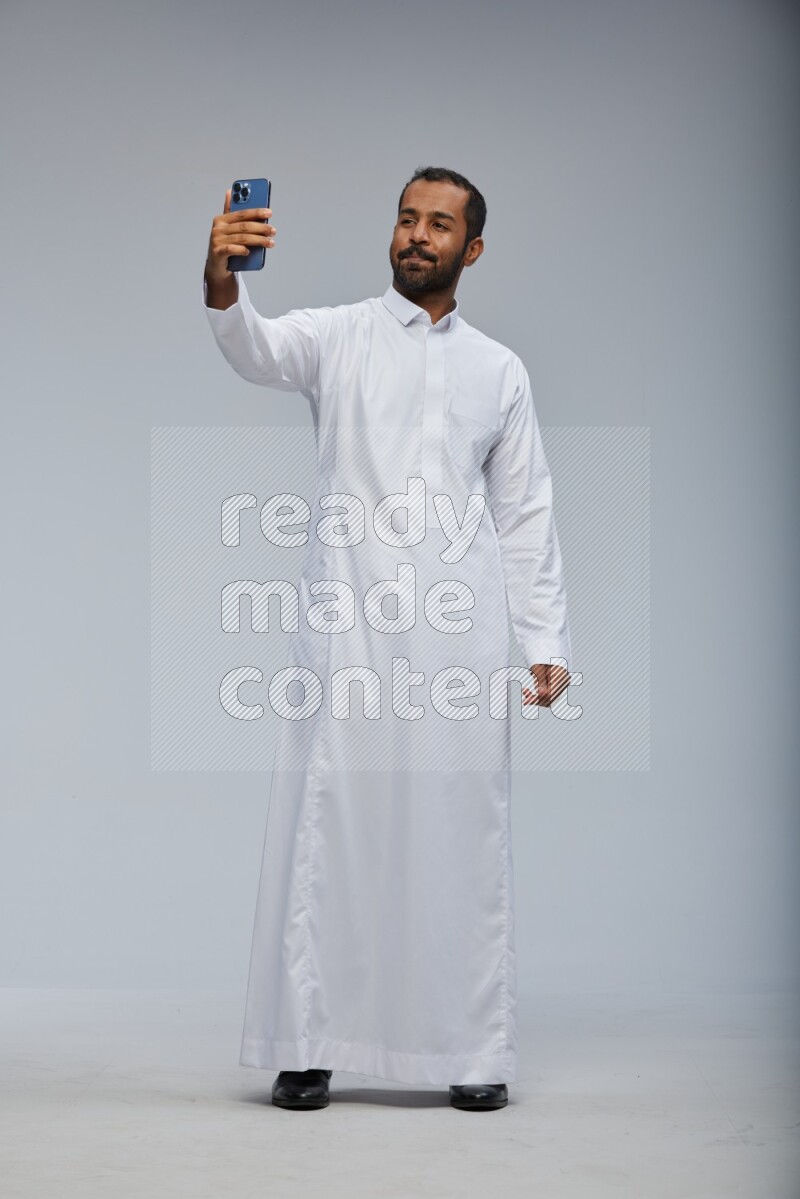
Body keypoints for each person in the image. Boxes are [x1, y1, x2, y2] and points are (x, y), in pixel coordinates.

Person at [203, 166, 572, 1112]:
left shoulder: (501, 370)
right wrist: (222, 280)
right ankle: (309, 1043)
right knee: (334, 827)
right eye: (407, 218)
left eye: (439, 225)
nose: (416, 235)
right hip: (351, 630)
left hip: (460, 641)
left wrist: (544, 639)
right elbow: (255, 349)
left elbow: (524, 511)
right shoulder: (339, 335)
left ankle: (471, 1049)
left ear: (472, 249)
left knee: (460, 835)